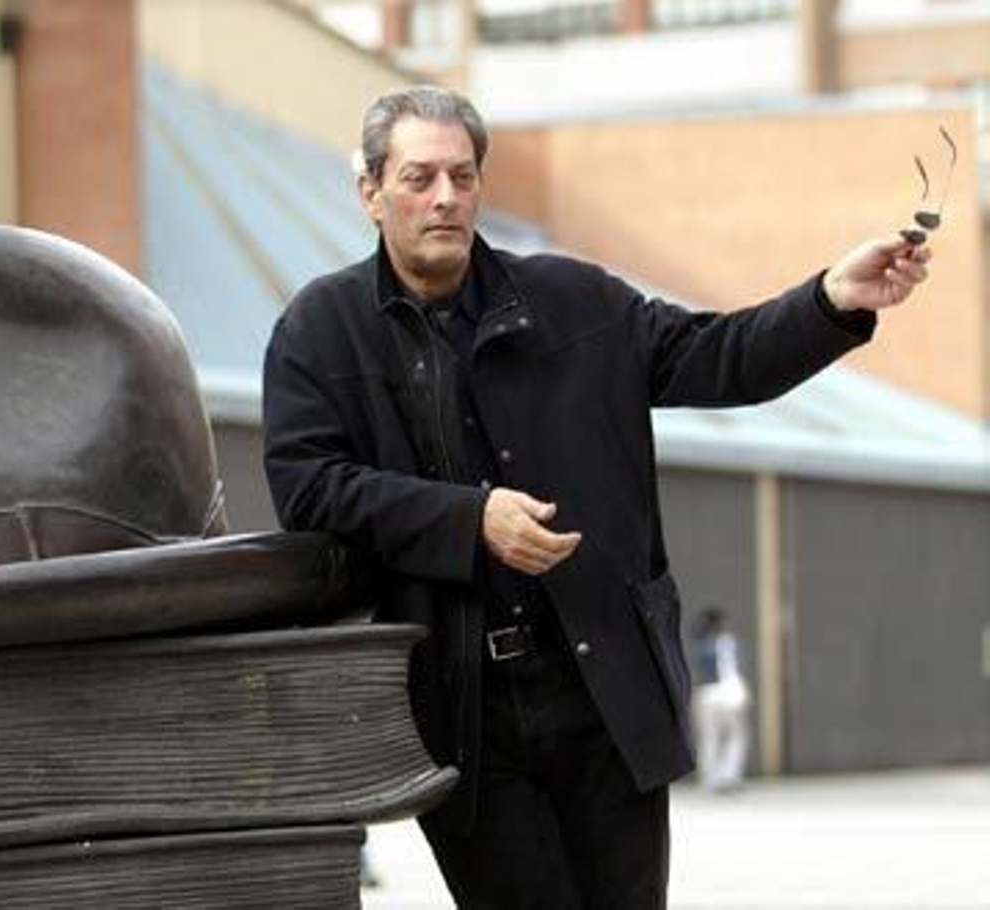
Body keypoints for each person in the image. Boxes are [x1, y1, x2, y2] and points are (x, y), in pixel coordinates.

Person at [261, 85, 930, 909]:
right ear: (370, 191)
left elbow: (720, 356)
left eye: (463, 176)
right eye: (418, 177)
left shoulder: (577, 300)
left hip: (606, 694)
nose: (445, 198)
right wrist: (470, 521)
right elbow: (308, 487)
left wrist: (831, 299)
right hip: (466, 713)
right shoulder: (319, 331)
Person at [692, 607, 751, 793]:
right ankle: (728, 775)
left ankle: (709, 780)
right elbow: (731, 670)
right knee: (737, 736)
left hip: (705, 693)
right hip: (728, 692)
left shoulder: (701, 644)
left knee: (709, 738)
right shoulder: (727, 642)